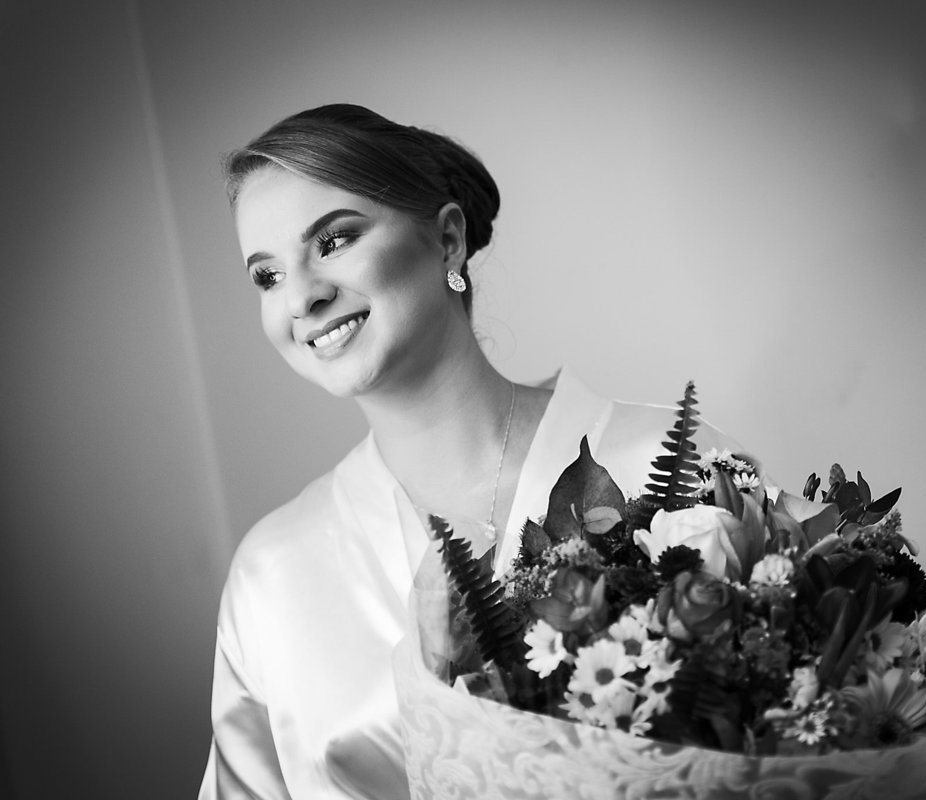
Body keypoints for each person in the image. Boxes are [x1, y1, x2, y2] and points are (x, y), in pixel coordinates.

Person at [199, 104, 739, 799]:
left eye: (334, 240)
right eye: (267, 276)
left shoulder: (679, 467)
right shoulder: (272, 576)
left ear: (448, 239)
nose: (301, 297)